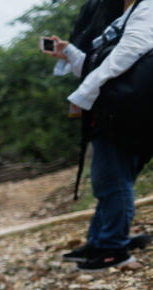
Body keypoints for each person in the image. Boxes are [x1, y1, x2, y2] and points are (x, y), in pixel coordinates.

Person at [44, 0, 153, 270]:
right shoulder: (124, 14)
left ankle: (112, 249)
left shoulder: (149, 7)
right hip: (113, 111)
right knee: (109, 181)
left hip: (123, 113)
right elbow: (98, 65)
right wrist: (69, 52)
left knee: (112, 182)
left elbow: (128, 53)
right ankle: (100, 241)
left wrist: (84, 93)